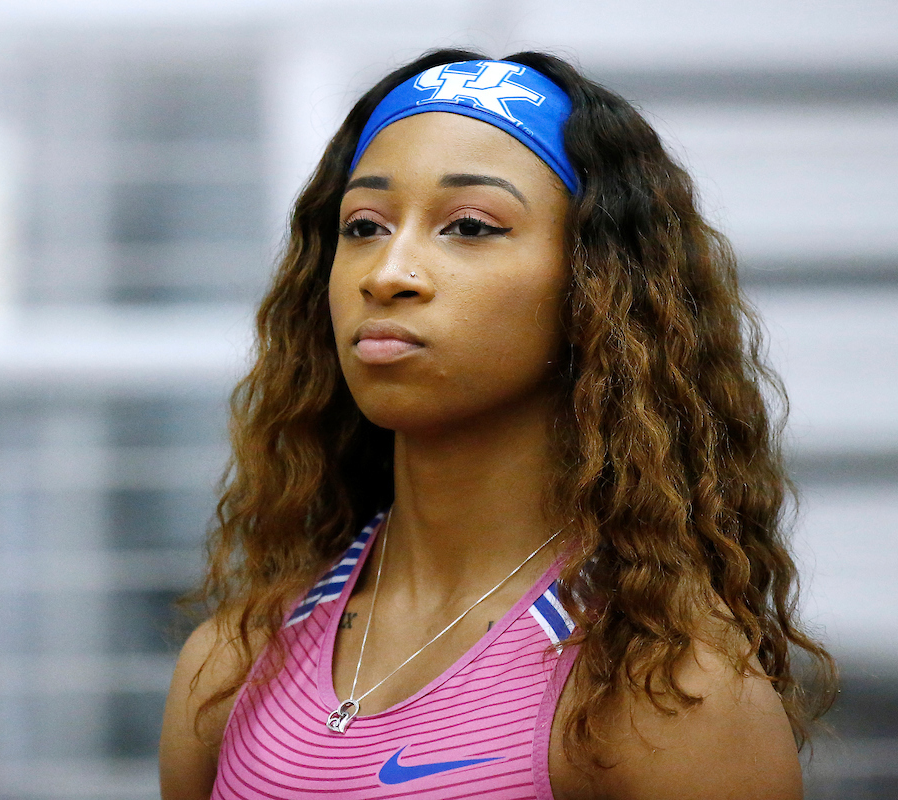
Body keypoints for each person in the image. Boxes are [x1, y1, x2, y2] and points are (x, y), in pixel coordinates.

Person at [159, 48, 835, 799]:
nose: (387, 273)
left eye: (471, 226)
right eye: (364, 225)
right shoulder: (229, 668)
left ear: (596, 288)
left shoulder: (662, 691)